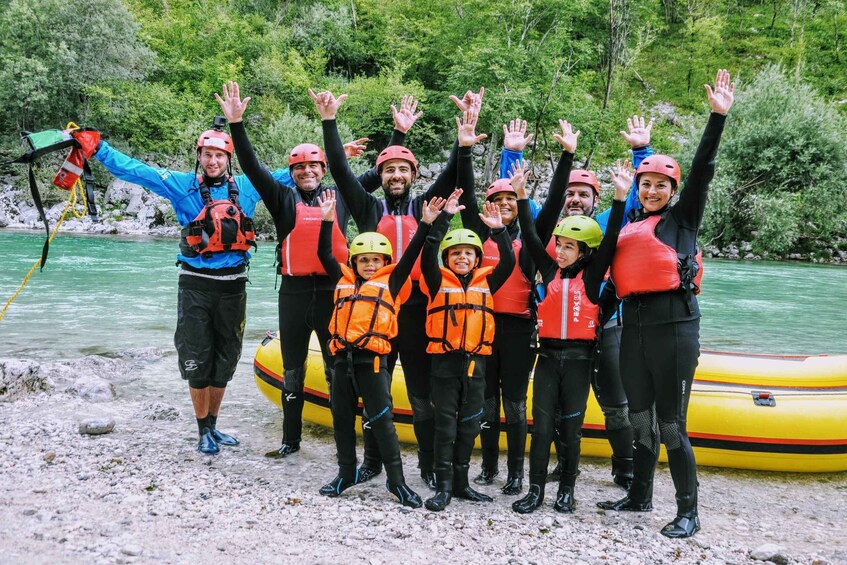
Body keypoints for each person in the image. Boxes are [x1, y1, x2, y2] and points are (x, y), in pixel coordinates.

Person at [311, 88, 508, 488]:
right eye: (389, 170)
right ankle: (371, 463)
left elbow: (454, 171)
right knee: (373, 391)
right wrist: (329, 121)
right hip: (374, 313)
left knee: (421, 394)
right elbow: (340, 170)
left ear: (414, 176)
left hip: (418, 309)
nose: (396, 175)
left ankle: (428, 468)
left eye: (404, 170)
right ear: (381, 178)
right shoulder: (368, 208)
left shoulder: (426, 208)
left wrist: (464, 139)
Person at [215, 82, 406, 459]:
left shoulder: (341, 197)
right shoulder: (281, 198)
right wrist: (236, 125)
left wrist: (399, 132)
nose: (307, 172)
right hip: (294, 292)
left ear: (324, 170)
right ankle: (290, 440)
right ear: (292, 172)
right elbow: (252, 167)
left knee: (337, 370)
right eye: (299, 167)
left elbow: (382, 170)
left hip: (336, 293)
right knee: (292, 370)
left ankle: (343, 444)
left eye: (313, 166)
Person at [598, 69, 735, 538]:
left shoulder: (683, 220)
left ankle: (688, 512)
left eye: (661, 185)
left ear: (673, 192)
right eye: (646, 184)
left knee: (672, 424)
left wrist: (716, 118)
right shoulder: (631, 221)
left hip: (675, 326)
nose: (652, 190)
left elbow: (702, 169)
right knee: (640, 416)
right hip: (633, 324)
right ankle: (639, 496)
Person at [91, 117, 267, 454]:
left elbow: (293, 175)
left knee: (225, 360)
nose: (213, 161)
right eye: (207, 155)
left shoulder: (247, 186)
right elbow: (135, 170)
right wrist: (98, 148)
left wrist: (334, 157)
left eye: (219, 155)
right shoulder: (180, 184)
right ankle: (203, 429)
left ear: (228, 158)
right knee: (196, 359)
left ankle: (214, 425)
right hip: (195, 286)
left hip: (233, 287)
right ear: (199, 156)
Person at [458, 118, 581, 495]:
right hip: (482, 325)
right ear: (490, 206)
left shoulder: (532, 235)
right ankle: (490, 467)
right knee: (486, 399)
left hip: (517, 329)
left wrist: (567, 156)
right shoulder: (479, 231)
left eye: (512, 200)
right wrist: (464, 150)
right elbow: (466, 193)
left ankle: (515, 473)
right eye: (499, 200)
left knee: (513, 401)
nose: (506, 205)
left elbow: (556, 198)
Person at [509, 160, 632, 513]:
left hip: (579, 362)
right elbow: (531, 236)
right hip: (547, 359)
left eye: (568, 247)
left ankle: (567, 490)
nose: (559, 251)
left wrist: (621, 197)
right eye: (559, 244)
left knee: (571, 428)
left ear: (584, 252)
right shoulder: (548, 272)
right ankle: (535, 491)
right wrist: (520, 195)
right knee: (542, 427)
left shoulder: (593, 279)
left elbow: (609, 242)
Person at [314, 190, 446, 508]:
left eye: (376, 260)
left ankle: (396, 483)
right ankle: (346, 473)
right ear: (354, 262)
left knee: (382, 420)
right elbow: (325, 255)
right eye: (363, 260)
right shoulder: (341, 279)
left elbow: (413, 253)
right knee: (343, 419)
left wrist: (426, 224)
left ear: (385, 262)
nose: (370, 265)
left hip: (373, 361)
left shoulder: (393, 281)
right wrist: (328, 220)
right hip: (341, 360)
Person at [546, 116, 655, 489]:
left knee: (615, 404)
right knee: (561, 405)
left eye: (584, 194)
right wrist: (512, 152)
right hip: (562, 334)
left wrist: (642, 150)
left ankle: (624, 469)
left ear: (595, 200)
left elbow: (644, 192)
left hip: (607, 327)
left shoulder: (612, 222)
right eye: (570, 193)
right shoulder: (551, 230)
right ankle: (564, 466)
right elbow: (516, 205)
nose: (576, 199)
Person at [418, 190, 516, 512]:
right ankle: (444, 486)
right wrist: (442, 219)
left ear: (477, 258)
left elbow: (510, 260)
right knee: (445, 424)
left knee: (471, 423)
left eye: (469, 254)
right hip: (444, 363)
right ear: (447, 258)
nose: (462, 258)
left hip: (476, 363)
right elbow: (428, 249)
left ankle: (462, 483)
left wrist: (499, 230)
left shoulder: (488, 282)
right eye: (456, 253)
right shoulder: (435, 281)